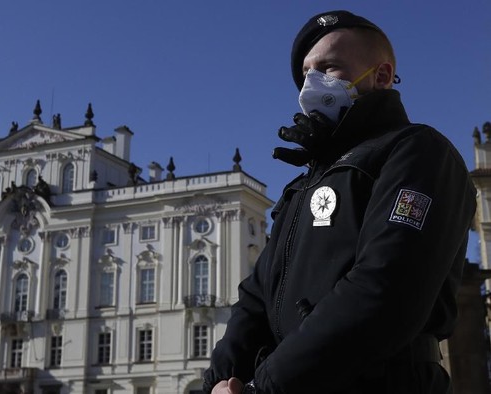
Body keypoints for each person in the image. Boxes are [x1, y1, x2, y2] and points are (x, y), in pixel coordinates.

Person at [203, 10, 476, 394]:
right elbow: (256, 298)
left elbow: (386, 289)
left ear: (381, 76)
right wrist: (217, 383)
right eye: (306, 72)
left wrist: (264, 387)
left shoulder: (418, 152)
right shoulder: (302, 185)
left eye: (329, 68)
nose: (311, 83)